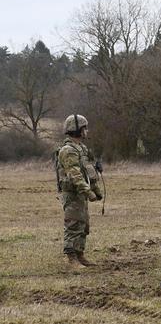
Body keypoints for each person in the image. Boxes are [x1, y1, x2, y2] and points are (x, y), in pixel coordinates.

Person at [56, 114, 102, 268]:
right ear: (77, 130)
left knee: (83, 225)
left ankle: (80, 254)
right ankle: (71, 258)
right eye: (84, 128)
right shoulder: (68, 150)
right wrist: (88, 191)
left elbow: (88, 171)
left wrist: (96, 189)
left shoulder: (82, 149)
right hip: (72, 194)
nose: (86, 131)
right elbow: (74, 174)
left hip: (81, 193)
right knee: (73, 224)